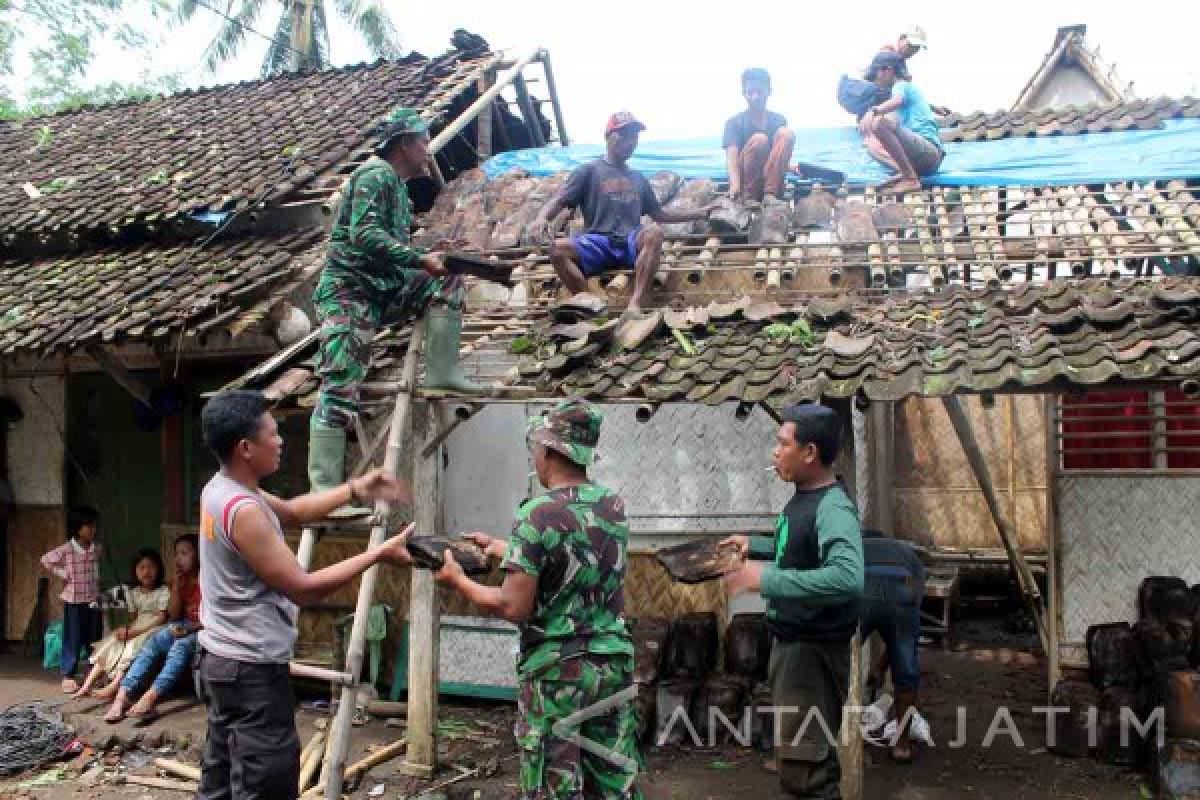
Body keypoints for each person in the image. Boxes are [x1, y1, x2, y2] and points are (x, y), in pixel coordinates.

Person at [194, 390, 414, 800]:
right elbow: (304, 588)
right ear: (245, 448)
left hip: (222, 660)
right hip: (251, 669)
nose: (281, 442)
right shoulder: (243, 511)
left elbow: (294, 512)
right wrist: (378, 553)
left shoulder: (222, 488)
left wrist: (355, 489)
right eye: (273, 435)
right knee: (267, 783)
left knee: (222, 779)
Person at [434, 398, 642, 799]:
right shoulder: (612, 506)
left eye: (536, 448)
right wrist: (501, 548)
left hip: (557, 674)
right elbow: (575, 554)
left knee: (555, 786)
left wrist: (457, 580)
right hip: (612, 666)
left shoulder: (538, 513)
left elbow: (513, 606)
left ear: (548, 451)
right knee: (612, 783)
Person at [310, 106, 483, 507]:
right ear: (404, 143)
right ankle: (326, 493)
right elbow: (364, 234)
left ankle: (442, 371)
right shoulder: (376, 175)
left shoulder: (398, 189)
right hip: (350, 293)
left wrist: (430, 257)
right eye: (423, 141)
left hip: (381, 290)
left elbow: (393, 251)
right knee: (340, 385)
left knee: (448, 278)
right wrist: (419, 259)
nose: (428, 149)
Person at [722, 403, 864, 799]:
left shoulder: (833, 507)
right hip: (796, 650)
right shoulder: (806, 498)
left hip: (812, 656)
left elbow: (847, 577)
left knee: (807, 771)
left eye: (783, 443)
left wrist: (765, 578)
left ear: (809, 453)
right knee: (800, 758)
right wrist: (759, 545)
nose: (775, 451)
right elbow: (800, 547)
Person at [531, 112, 711, 313]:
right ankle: (588, 303)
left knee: (654, 232)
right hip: (597, 241)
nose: (630, 141)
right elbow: (559, 200)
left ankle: (636, 304)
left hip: (629, 242)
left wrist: (701, 213)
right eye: (623, 135)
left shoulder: (638, 178)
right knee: (556, 249)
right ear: (608, 136)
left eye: (634, 136)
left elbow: (660, 214)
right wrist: (541, 218)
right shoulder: (588, 171)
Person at [104, 534, 202, 723]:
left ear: (198, 555)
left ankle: (150, 697)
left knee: (179, 647)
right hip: (185, 624)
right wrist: (176, 586)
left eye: (185, 553)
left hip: (204, 628)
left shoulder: (209, 578)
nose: (178, 558)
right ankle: (121, 697)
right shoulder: (181, 579)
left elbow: (215, 618)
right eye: (176, 554)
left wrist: (189, 630)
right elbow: (174, 615)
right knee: (154, 641)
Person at [860, 529, 926, 763]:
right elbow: (903, 632)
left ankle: (839, 737)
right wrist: (882, 665)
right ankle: (902, 745)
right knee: (906, 663)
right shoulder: (906, 551)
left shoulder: (852, 545)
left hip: (861, 592)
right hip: (903, 595)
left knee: (839, 659)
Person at [73, 548, 169, 699]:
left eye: (151, 566)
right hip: (137, 626)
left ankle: (114, 685)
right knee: (111, 643)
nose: (146, 571)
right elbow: (132, 618)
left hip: (153, 628)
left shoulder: (163, 591)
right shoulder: (133, 592)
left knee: (131, 647)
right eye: (141, 567)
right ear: (135, 571)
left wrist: (134, 633)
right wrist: (124, 629)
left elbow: (162, 618)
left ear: (159, 569)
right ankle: (87, 685)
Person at [858, 51, 944, 194]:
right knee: (871, 144)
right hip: (918, 160)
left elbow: (897, 101)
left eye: (876, 73)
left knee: (879, 123)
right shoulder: (903, 96)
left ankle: (911, 179)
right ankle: (905, 172)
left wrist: (872, 111)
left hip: (930, 152)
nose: (876, 78)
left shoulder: (901, 85)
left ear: (888, 70)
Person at [41, 506, 103, 693]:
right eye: (88, 526)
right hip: (74, 600)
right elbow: (46, 560)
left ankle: (94, 670)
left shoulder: (96, 549)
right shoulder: (67, 549)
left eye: (94, 526)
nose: (92, 530)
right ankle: (68, 673)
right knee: (72, 637)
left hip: (93, 598)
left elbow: (96, 571)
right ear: (77, 528)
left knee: (94, 637)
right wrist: (63, 573)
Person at [724, 68, 795, 204]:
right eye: (750, 92)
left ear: (769, 92)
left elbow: (777, 153)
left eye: (759, 91)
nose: (755, 97)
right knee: (759, 139)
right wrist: (735, 185)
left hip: (771, 184)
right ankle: (749, 197)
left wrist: (788, 165)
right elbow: (731, 156)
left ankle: (770, 195)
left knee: (786, 133)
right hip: (747, 185)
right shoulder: (733, 122)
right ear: (744, 93)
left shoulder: (779, 120)